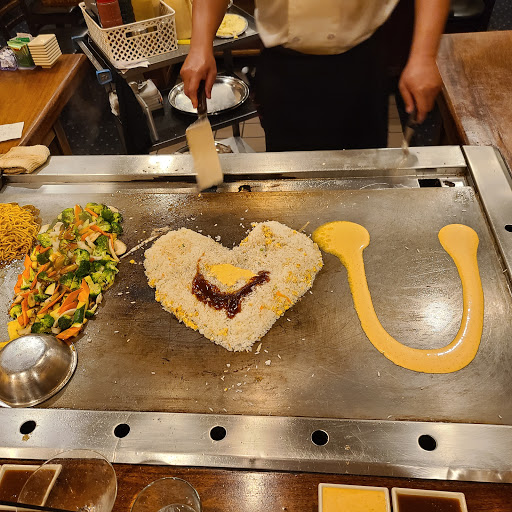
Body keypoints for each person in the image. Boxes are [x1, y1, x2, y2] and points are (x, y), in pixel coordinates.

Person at [180, 0, 450, 151]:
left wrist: (425, 56)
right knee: (290, 183)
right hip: (284, 69)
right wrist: (200, 45)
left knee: (364, 183)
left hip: (361, 63)